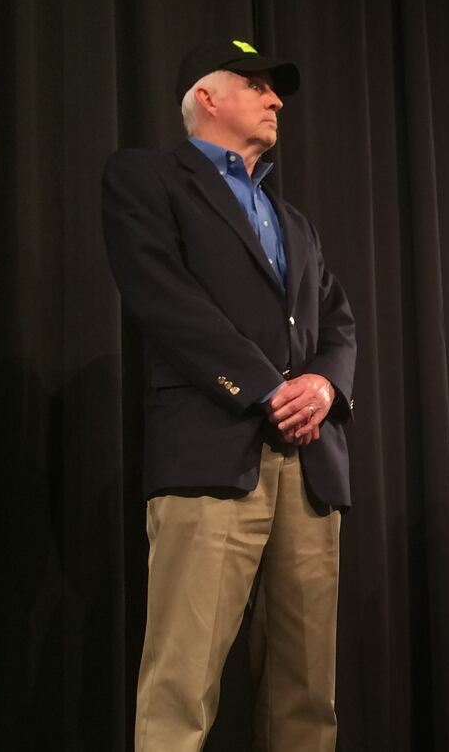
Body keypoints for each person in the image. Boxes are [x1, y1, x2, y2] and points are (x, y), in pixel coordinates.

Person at [101, 38, 356, 752]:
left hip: (308, 468)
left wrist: (324, 384)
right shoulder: (146, 178)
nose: (275, 100)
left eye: (275, 90)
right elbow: (164, 298)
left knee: (308, 696)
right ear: (205, 97)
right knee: (182, 686)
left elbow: (338, 319)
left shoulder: (294, 220)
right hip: (213, 451)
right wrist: (268, 388)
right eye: (257, 85)